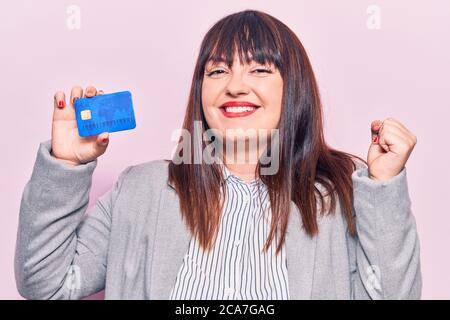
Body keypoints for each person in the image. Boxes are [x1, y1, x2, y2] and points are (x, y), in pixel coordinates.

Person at [15, 9, 421, 300]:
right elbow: (47, 284)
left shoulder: (340, 194)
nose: (235, 86)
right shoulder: (140, 191)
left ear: (291, 87)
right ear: (201, 92)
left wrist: (383, 188)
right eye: (218, 71)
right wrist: (66, 164)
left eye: (259, 70)